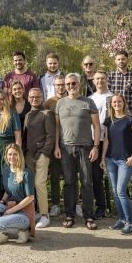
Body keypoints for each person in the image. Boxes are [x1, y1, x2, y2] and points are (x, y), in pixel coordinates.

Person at [54, 73, 101, 230]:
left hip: (85, 148)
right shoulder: (60, 104)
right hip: (65, 148)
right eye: (67, 84)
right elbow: (56, 128)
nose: (70, 86)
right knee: (69, 183)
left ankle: (89, 216)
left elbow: (96, 126)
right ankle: (69, 215)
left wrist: (95, 147)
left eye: (73, 83)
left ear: (79, 84)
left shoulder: (88, 102)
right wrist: (56, 147)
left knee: (87, 183)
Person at [101, 95, 132, 235]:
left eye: (119, 101)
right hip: (111, 159)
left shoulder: (131, 119)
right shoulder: (108, 120)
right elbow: (106, 141)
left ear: (124, 103)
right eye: (114, 102)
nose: (117, 104)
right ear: (111, 104)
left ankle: (130, 223)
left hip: (125, 160)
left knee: (121, 191)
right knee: (115, 192)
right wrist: (103, 158)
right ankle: (122, 220)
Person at [0, 143, 36, 245]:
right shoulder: (6, 171)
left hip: (24, 213)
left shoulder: (26, 173)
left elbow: (30, 197)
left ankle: (23, 231)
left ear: (19, 156)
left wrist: (11, 211)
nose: (12, 157)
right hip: (11, 207)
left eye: (15, 154)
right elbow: (8, 191)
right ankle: (4, 235)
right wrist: (3, 201)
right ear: (6, 156)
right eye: (9, 154)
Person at [23, 88, 55, 228]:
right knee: (30, 185)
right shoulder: (28, 114)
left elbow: (51, 135)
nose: (34, 99)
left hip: (42, 154)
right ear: (28, 98)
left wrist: (45, 153)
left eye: (37, 97)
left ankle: (44, 215)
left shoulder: (47, 114)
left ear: (42, 98)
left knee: (40, 184)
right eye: (32, 96)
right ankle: (34, 211)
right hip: (29, 155)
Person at [0, 90, 22, 200]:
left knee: (7, 175)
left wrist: (18, 153)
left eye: (1, 99)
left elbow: (18, 136)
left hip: (8, 148)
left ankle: (9, 201)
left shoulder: (12, 114)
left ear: (5, 100)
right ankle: (0, 201)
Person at [88, 70, 113, 219]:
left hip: (111, 139)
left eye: (103, 78)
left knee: (113, 175)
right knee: (96, 176)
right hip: (94, 139)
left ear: (107, 79)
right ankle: (101, 206)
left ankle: (121, 208)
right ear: (93, 81)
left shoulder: (113, 97)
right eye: (97, 79)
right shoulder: (90, 99)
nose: (100, 81)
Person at [43, 75, 67, 217]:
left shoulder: (71, 99)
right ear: (54, 86)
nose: (61, 87)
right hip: (54, 144)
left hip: (69, 141)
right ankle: (56, 204)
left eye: (63, 84)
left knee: (70, 176)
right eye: (58, 85)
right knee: (55, 175)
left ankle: (74, 203)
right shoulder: (49, 102)